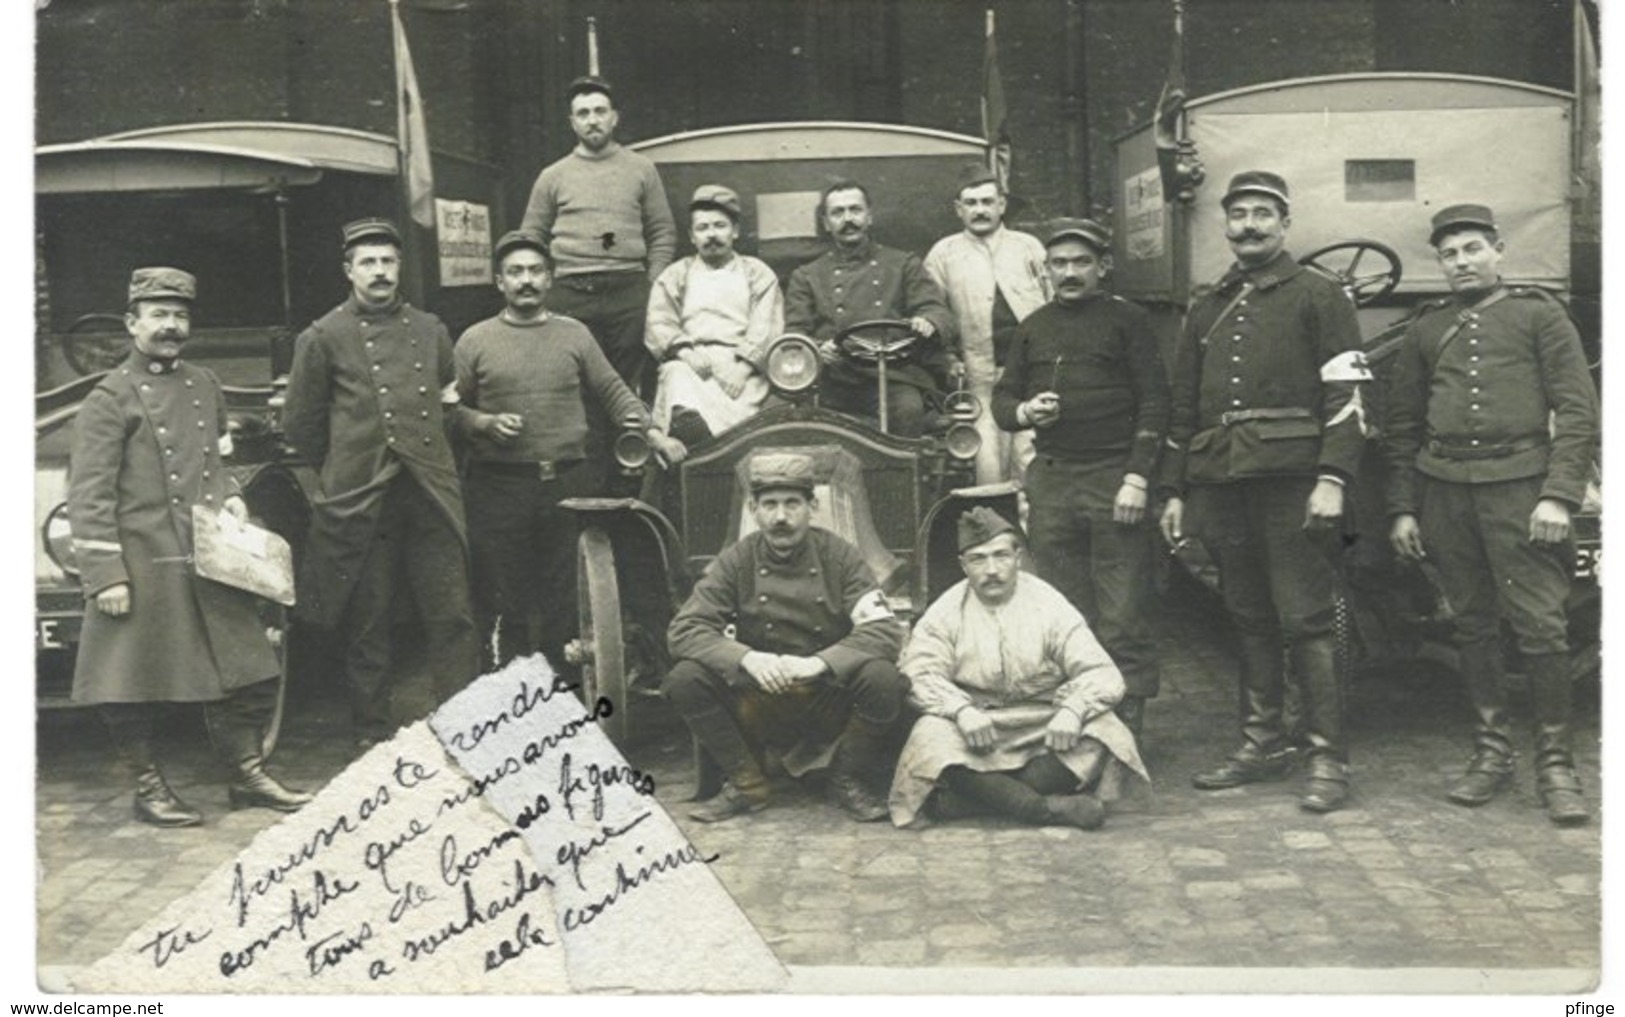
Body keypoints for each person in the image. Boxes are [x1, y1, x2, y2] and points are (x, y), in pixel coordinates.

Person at [68, 267, 311, 826]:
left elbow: (213, 462)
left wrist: (229, 497)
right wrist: (105, 575)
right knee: (130, 685)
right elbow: (89, 493)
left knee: (248, 669)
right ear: (132, 323)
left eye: (179, 315)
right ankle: (148, 788)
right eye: (158, 315)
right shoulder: (110, 398)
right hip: (144, 561)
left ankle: (245, 776)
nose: (170, 326)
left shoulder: (204, 384)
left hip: (206, 556)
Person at [1157, 171, 1369, 813]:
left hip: (1293, 484)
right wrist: (1174, 490)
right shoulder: (1209, 304)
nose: (1248, 225)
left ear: (1285, 222)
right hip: (1221, 482)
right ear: (1225, 225)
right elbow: (1184, 405)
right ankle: (1261, 742)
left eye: (1262, 214)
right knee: (1247, 617)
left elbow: (1348, 396)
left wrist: (1332, 478)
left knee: (1305, 621)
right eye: (1238, 215)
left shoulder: (1320, 296)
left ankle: (1328, 758)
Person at [1384, 204, 1599, 825]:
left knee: (1541, 626)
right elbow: (1402, 427)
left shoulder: (1539, 315)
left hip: (1522, 491)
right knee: (1472, 623)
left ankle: (1555, 763)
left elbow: (1579, 412)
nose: (1461, 263)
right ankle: (1491, 750)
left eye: (1472, 249)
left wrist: (1558, 494)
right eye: (1450, 254)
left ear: (1498, 250)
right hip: (1446, 491)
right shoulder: (1427, 328)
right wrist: (1402, 507)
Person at [283, 217, 479, 748]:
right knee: (368, 621)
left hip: (428, 493)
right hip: (364, 497)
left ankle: (459, 727)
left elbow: (445, 404)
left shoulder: (431, 330)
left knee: (452, 613)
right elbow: (300, 432)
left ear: (400, 267)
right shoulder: (322, 337)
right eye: (367, 262)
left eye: (387, 261)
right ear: (348, 271)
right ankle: (372, 733)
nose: (379, 272)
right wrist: (334, 485)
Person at [454, 228, 685, 669]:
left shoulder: (574, 334)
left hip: (567, 484)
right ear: (499, 282)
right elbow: (450, 411)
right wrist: (482, 423)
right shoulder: (474, 340)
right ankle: (512, 704)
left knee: (565, 602)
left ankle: (560, 700)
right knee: (506, 602)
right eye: (515, 272)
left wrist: (653, 434)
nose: (526, 280)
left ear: (550, 278)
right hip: (499, 489)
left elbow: (614, 391)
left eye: (536, 271)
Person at [992, 218, 1168, 735]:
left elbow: (1156, 402)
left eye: (1081, 262)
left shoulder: (1127, 321)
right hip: (1053, 479)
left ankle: (1128, 718)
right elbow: (1002, 402)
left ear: (1101, 267)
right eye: (1059, 263)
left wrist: (1137, 478)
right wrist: (1026, 411)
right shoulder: (1034, 326)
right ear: (1046, 270)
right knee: (1064, 605)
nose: (1069, 272)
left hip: (1113, 477)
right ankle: (1080, 712)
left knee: (1123, 605)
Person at [663, 452, 908, 823]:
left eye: (792, 504)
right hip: (758, 698)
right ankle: (747, 784)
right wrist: (747, 658)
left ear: (812, 506)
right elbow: (684, 629)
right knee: (684, 678)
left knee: (883, 678)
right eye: (770, 505)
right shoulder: (737, 560)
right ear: (753, 508)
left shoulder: (841, 557)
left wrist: (819, 663)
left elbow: (885, 631)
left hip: (827, 696)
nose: (781, 517)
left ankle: (845, 778)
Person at [889, 508, 1147, 830]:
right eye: (978, 559)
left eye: (1001, 556)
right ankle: (1043, 808)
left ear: (1018, 558)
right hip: (977, 725)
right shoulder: (946, 611)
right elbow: (917, 673)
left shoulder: (1048, 603)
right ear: (963, 565)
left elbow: (1102, 672)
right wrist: (960, 710)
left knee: (1105, 731)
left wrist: (1073, 710)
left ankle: (969, 800)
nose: (992, 570)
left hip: (1043, 721)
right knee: (929, 738)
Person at [520, 75, 678, 395]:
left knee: (626, 383)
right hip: (570, 293)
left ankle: (626, 445)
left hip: (628, 290)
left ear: (614, 118)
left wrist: (652, 282)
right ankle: (589, 447)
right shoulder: (552, 176)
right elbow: (530, 238)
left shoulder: (641, 168)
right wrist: (547, 284)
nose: (593, 120)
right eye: (583, 113)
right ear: (572, 123)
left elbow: (662, 230)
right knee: (576, 381)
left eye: (600, 111)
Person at [784, 180, 956, 437]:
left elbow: (936, 310)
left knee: (908, 409)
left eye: (855, 210)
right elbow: (795, 335)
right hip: (834, 380)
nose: (848, 219)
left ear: (869, 216)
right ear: (826, 223)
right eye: (838, 212)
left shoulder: (904, 264)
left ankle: (901, 475)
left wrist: (928, 320)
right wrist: (818, 348)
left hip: (894, 377)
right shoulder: (807, 276)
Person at [924, 167, 1049, 483]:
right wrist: (948, 360)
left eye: (987, 202)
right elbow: (932, 313)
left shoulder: (1029, 247)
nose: (980, 210)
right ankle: (996, 532)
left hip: (1032, 377)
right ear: (958, 209)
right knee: (986, 467)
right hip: (978, 382)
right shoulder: (943, 254)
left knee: (1031, 461)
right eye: (971, 203)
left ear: (1001, 205)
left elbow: (1054, 305)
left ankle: (1030, 532)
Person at [645, 184, 784, 445]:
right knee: (675, 375)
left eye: (720, 226)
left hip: (743, 369)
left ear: (735, 231)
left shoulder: (757, 273)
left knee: (743, 430)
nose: (711, 235)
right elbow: (659, 321)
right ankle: (690, 427)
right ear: (692, 236)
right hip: (694, 364)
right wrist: (686, 352)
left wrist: (742, 369)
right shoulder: (676, 275)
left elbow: (766, 325)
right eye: (703, 228)